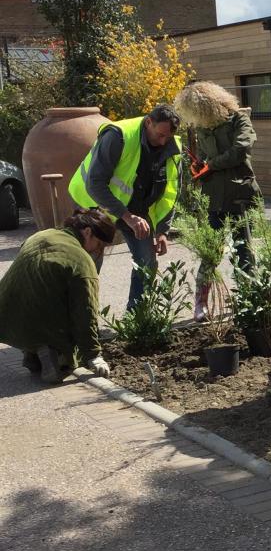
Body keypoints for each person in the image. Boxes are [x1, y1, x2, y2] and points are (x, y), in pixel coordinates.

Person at [67, 103, 182, 310]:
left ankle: (137, 317)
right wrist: (126, 216)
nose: (163, 141)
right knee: (89, 263)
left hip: (137, 209)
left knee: (146, 262)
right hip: (95, 204)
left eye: (168, 137)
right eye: (160, 135)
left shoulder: (172, 148)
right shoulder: (118, 136)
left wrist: (163, 231)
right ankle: (80, 320)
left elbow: (170, 192)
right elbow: (94, 183)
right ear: (149, 122)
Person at [173, 81, 262, 320]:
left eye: (198, 112)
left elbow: (241, 149)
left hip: (240, 193)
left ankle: (249, 297)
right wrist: (198, 165)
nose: (196, 118)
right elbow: (204, 155)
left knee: (244, 249)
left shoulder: (238, 120)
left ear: (209, 105)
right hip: (213, 197)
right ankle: (201, 302)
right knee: (210, 250)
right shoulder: (202, 128)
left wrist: (211, 165)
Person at [0, 208, 116, 383]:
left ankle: (31, 351)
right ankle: (54, 353)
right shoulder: (82, 261)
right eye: (99, 244)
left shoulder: (41, 235)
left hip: (7, 320)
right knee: (71, 355)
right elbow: (85, 312)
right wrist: (93, 355)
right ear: (87, 232)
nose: (99, 251)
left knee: (41, 297)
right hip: (42, 325)